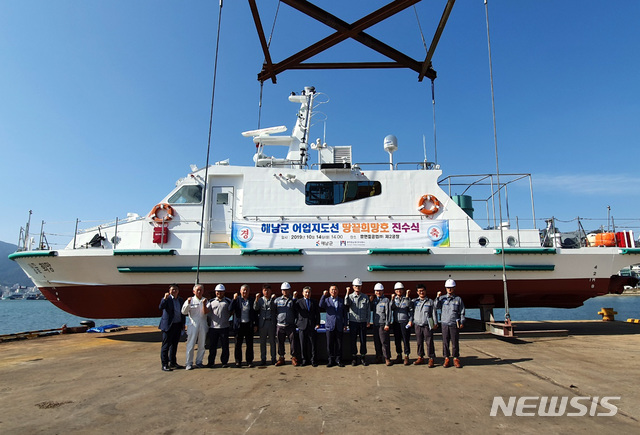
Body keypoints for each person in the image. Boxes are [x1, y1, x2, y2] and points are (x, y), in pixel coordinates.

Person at [436, 278, 465, 368]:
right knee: (445, 342)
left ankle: (456, 358)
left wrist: (462, 321)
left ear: (454, 288)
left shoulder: (458, 299)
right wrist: (437, 297)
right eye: (448, 287)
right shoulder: (442, 298)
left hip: (453, 323)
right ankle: (446, 358)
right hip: (444, 323)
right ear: (445, 288)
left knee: (455, 342)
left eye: (451, 287)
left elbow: (462, 311)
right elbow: (436, 306)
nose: (449, 289)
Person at [205, 283, 233, 368]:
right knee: (212, 346)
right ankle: (211, 362)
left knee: (225, 346)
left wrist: (227, 318)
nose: (219, 293)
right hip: (213, 328)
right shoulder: (211, 301)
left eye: (221, 292)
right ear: (215, 292)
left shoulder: (228, 301)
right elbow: (206, 311)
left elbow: (232, 310)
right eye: (217, 292)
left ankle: (224, 362)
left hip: (224, 327)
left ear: (224, 292)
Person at [158, 284, 185, 371]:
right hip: (168, 325)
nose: (174, 291)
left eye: (176, 289)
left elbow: (183, 313)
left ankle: (173, 362)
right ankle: (164, 364)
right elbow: (160, 307)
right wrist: (164, 299)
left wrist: (183, 325)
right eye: (172, 289)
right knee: (166, 346)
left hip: (177, 325)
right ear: (169, 291)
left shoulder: (180, 300)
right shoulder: (167, 299)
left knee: (174, 345)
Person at [181, 283, 208, 370]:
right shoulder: (190, 300)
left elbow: (206, 312)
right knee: (191, 344)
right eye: (198, 290)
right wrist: (188, 303)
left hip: (203, 324)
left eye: (201, 290)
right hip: (193, 325)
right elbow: (184, 312)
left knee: (202, 344)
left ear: (203, 291)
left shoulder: (205, 300)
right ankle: (188, 363)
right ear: (194, 291)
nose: (199, 292)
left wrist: (204, 304)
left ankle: (199, 361)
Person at [319, 285, 348, 367]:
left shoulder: (341, 301)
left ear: (338, 291)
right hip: (329, 326)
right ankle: (330, 360)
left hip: (339, 325)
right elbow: (320, 305)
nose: (334, 291)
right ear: (329, 291)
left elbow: (344, 314)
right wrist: (323, 295)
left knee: (339, 344)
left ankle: (338, 360)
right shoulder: (327, 300)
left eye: (335, 290)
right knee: (329, 344)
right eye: (332, 290)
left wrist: (345, 324)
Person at [344, 278, 370, 366]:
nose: (357, 288)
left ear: (361, 287)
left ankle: (363, 357)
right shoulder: (350, 296)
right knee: (353, 340)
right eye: (356, 286)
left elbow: (368, 310)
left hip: (362, 322)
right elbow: (346, 303)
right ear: (353, 287)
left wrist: (368, 321)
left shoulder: (365, 297)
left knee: (363, 340)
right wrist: (347, 293)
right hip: (353, 321)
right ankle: (354, 357)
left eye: (359, 286)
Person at [412, 283, 438, 367]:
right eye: (419, 291)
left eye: (423, 290)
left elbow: (434, 313)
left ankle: (431, 358)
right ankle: (420, 357)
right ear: (417, 292)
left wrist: (435, 323)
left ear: (425, 291)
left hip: (427, 324)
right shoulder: (414, 302)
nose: (421, 292)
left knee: (429, 342)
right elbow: (409, 308)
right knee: (419, 342)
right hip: (418, 324)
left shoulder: (430, 301)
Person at [231, 284, 258, 367]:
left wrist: (255, 324)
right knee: (238, 344)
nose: (245, 292)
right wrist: (233, 300)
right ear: (240, 291)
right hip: (239, 325)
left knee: (249, 344)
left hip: (248, 325)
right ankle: (238, 361)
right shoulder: (237, 300)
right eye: (243, 290)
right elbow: (230, 309)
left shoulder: (251, 300)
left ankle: (249, 361)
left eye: (246, 290)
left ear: (249, 291)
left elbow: (255, 313)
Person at [294, 286, 320, 367]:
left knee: (313, 344)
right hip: (302, 326)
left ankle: (313, 360)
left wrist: (317, 323)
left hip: (311, 325)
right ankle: (304, 360)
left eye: (309, 292)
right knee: (302, 344)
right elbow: (294, 308)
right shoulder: (298, 302)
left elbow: (317, 313)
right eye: (306, 292)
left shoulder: (314, 302)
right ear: (303, 293)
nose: (307, 294)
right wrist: (294, 297)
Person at [274, 282, 299, 366]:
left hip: (290, 325)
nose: (285, 292)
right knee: (280, 342)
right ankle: (281, 357)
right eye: (284, 290)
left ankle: (294, 357)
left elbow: (296, 308)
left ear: (289, 290)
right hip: (280, 325)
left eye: (287, 290)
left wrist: (294, 298)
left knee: (293, 342)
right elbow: (273, 310)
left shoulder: (293, 300)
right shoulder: (277, 300)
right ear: (281, 291)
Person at [254, 283, 277, 366]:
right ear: (262, 291)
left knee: (272, 342)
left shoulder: (274, 300)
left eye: (268, 290)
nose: (266, 292)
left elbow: (274, 308)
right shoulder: (260, 300)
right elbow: (255, 308)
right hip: (262, 323)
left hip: (271, 322)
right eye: (264, 290)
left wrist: (272, 299)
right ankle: (263, 358)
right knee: (262, 342)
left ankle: (273, 358)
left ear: (271, 291)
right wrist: (256, 299)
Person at [391, 282, 413, 365]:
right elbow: (391, 308)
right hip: (396, 323)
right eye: (397, 290)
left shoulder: (407, 299)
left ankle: (406, 356)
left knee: (405, 340)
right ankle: (399, 355)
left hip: (405, 322)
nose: (398, 291)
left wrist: (410, 320)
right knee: (397, 340)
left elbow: (410, 310)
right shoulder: (394, 299)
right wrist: (392, 300)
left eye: (400, 289)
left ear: (403, 290)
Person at [371, 283, 393, 366]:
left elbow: (389, 313)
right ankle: (379, 357)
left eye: (380, 291)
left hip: (383, 324)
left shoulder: (386, 300)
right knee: (377, 342)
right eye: (377, 291)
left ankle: (387, 358)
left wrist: (387, 324)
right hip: (375, 324)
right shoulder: (374, 300)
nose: (378, 292)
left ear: (383, 291)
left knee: (384, 342)